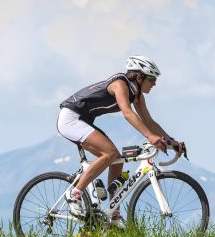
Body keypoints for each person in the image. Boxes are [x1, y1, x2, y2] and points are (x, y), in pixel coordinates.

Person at [56, 55, 184, 223]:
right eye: (151, 79)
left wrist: (170, 140)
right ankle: (74, 194)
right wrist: (150, 136)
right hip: (71, 118)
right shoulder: (120, 84)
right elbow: (127, 113)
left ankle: (113, 212)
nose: (154, 84)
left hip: (83, 120)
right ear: (139, 77)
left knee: (117, 160)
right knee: (109, 153)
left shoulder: (137, 94)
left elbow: (149, 121)